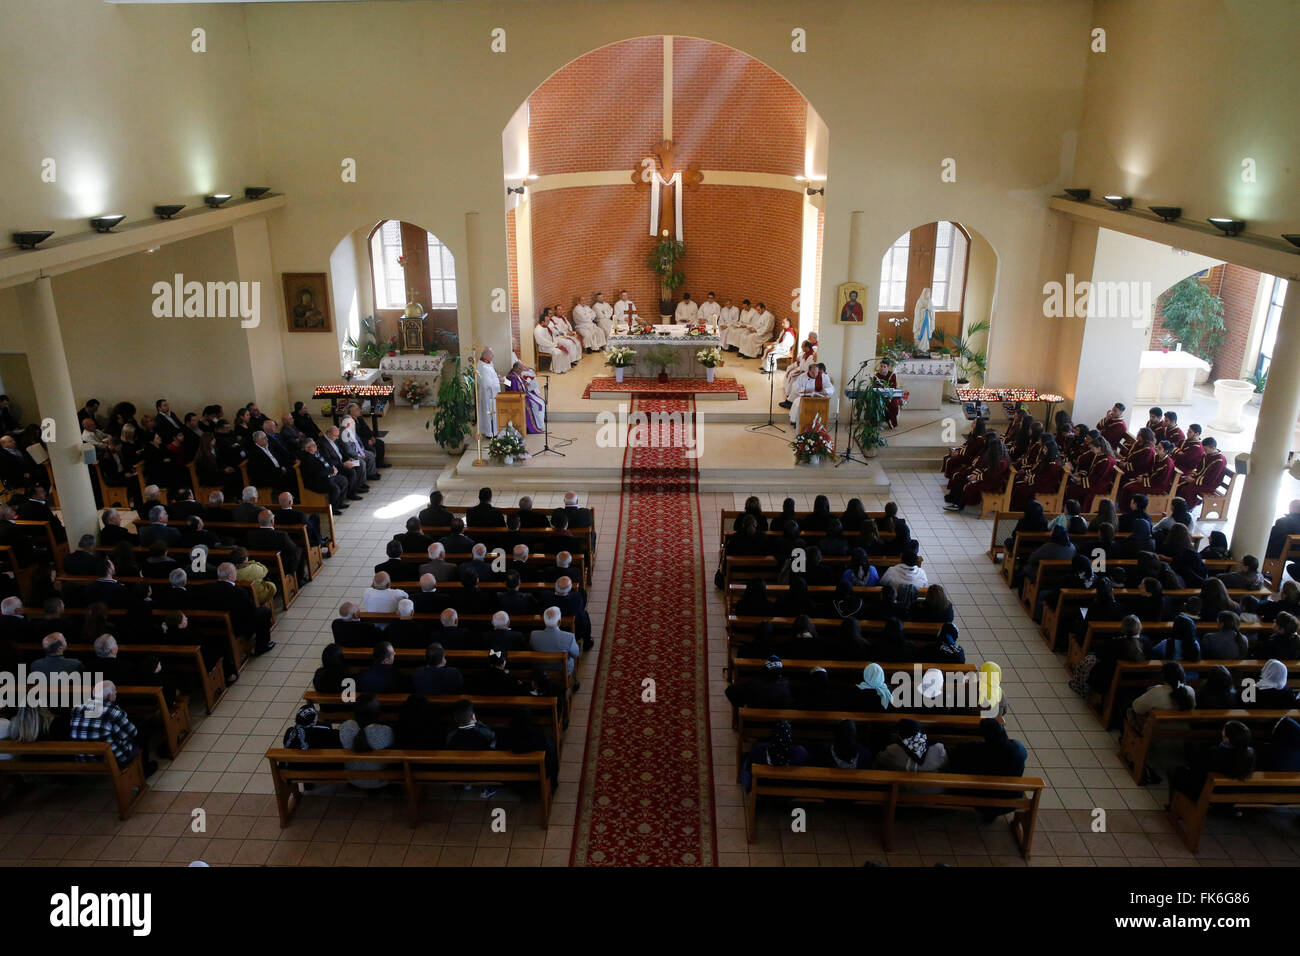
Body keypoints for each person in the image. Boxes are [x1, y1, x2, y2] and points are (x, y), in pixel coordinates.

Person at [69, 681, 156, 776]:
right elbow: (133, 733)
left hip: (84, 758)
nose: (116, 693)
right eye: (115, 691)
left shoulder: (79, 707)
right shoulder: (112, 712)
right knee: (144, 732)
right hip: (110, 760)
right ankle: (145, 770)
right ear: (110, 696)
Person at [338, 695, 395, 790]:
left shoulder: (346, 727)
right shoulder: (385, 732)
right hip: (379, 780)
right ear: (378, 713)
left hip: (352, 778)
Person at [740, 719, 807, 792]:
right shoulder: (800, 752)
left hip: (763, 786)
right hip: (789, 787)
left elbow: (749, 768)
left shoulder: (758, 749)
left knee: (746, 763)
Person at [874, 718, 948, 777]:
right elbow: (945, 767)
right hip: (933, 790)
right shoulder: (939, 748)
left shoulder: (892, 750)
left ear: (900, 735)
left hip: (902, 790)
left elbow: (879, 761)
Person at [529, 606, 580, 677]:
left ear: (544, 621)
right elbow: (576, 654)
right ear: (559, 622)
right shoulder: (569, 637)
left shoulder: (533, 635)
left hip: (541, 670)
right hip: (562, 671)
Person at [787, 363, 835, 427]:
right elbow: (795, 387)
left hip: (819, 398)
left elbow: (831, 388)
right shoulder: (802, 376)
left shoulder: (823, 377)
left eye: (817, 372)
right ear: (809, 371)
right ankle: (799, 422)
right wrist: (805, 390)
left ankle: (819, 424)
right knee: (798, 404)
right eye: (812, 372)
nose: (815, 374)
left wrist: (825, 390)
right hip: (805, 397)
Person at [475, 347, 502, 438]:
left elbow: (493, 376)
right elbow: (486, 383)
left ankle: (494, 430)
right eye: (491, 354)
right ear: (485, 355)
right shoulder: (481, 366)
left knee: (493, 413)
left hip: (493, 394)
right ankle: (489, 432)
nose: (493, 356)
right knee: (489, 413)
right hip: (488, 394)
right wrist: (498, 380)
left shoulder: (489, 364)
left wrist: (499, 378)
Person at [872, 359, 902, 429]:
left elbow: (893, 386)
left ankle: (891, 421)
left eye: (884, 367)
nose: (882, 368)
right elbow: (874, 386)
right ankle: (876, 421)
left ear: (888, 367)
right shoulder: (877, 375)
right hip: (878, 396)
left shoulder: (892, 375)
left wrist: (884, 386)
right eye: (881, 366)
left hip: (890, 396)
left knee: (893, 405)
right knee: (873, 403)